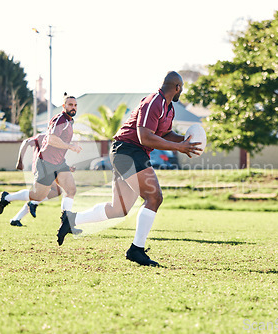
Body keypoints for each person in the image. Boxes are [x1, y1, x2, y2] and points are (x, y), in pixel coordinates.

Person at [57, 71, 202, 266]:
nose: (181, 92)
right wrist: (179, 147)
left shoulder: (169, 109)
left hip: (129, 152)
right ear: (177, 87)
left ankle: (72, 219)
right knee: (154, 197)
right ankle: (136, 250)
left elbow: (166, 134)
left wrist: (185, 141)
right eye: (181, 89)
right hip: (128, 150)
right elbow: (145, 137)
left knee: (120, 208)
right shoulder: (154, 102)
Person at [0, 94, 82, 220]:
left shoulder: (69, 121)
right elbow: (52, 140)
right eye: (70, 105)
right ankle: (7, 197)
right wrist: (70, 146)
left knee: (71, 190)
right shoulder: (61, 120)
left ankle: (66, 221)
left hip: (59, 163)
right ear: (64, 106)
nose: (73, 107)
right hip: (46, 162)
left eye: (75, 105)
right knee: (37, 195)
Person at [9, 132, 76, 227]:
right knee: (41, 193)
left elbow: (57, 160)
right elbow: (26, 142)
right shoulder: (44, 136)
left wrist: (67, 168)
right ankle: (10, 199)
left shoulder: (60, 141)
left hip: (50, 169)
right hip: (42, 168)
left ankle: (17, 217)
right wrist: (20, 161)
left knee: (55, 191)